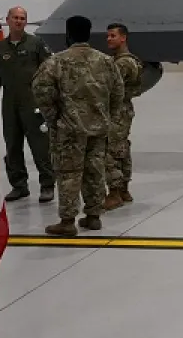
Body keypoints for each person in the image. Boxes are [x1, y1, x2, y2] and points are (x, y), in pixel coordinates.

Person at [31, 15, 124, 236]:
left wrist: (54, 117)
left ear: (68, 34)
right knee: (95, 171)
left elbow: (40, 89)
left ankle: (67, 220)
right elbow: (119, 92)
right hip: (99, 128)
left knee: (69, 173)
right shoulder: (105, 61)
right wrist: (106, 116)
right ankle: (93, 217)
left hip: (69, 130)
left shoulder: (57, 61)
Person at [0, 5, 54, 203]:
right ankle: (19, 185)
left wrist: (49, 100)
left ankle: (47, 185)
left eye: (22, 18)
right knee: (12, 146)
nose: (19, 21)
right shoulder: (1, 48)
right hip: (10, 104)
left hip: (33, 104)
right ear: (7, 20)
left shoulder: (36, 44)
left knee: (40, 146)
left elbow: (49, 71)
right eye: (15, 17)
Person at [102, 23, 142, 210]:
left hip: (116, 112)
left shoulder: (122, 63)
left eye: (113, 36)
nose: (109, 39)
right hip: (123, 110)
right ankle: (124, 190)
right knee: (122, 149)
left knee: (110, 151)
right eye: (108, 36)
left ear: (123, 38)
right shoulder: (126, 60)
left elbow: (108, 88)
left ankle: (115, 193)